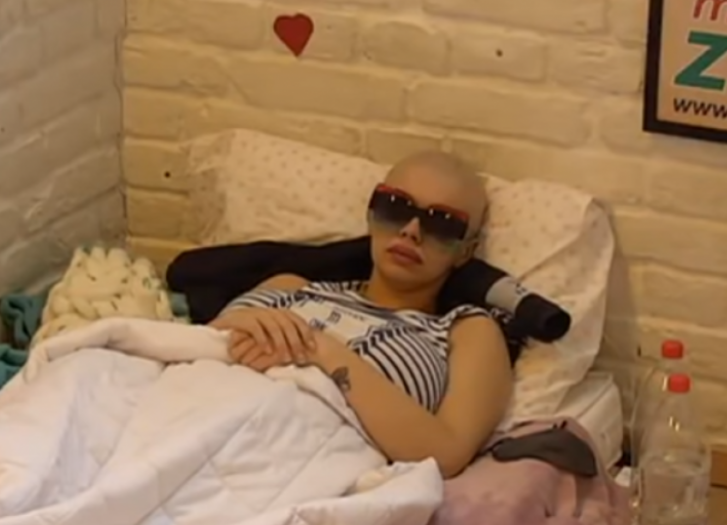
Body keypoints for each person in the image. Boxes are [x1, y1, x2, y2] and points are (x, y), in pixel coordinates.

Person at [208, 150, 514, 479]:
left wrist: (320, 349)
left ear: (465, 251)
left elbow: (446, 454)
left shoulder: (466, 331)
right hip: (210, 412)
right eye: (395, 207)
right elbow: (190, 351)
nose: (411, 230)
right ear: (371, 215)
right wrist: (233, 323)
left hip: (300, 461)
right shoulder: (289, 287)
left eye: (442, 224)